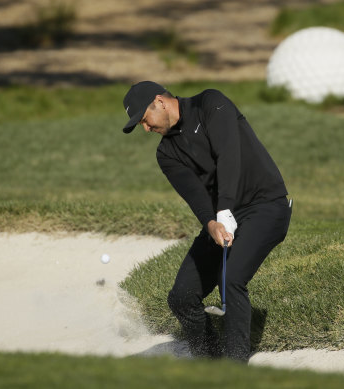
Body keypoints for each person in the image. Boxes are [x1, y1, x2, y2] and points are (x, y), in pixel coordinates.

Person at [121, 81, 292, 362]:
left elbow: (229, 155)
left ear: (160, 102)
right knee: (181, 297)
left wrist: (224, 209)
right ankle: (209, 360)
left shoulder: (210, 103)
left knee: (231, 278)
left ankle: (235, 366)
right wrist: (212, 223)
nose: (146, 128)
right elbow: (195, 196)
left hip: (266, 205)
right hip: (222, 220)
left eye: (144, 119)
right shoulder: (166, 154)